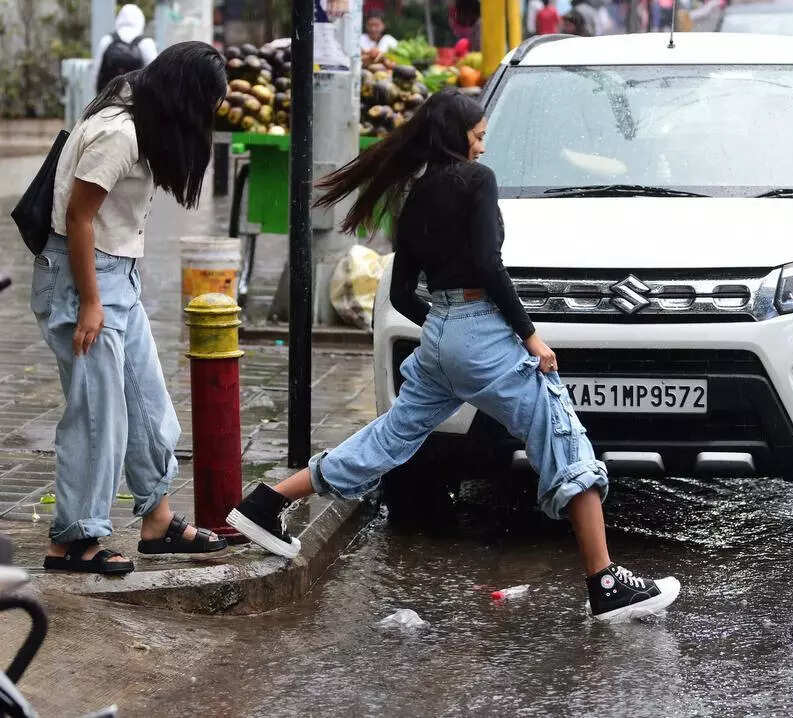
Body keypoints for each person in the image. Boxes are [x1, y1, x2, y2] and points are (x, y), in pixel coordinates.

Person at [226, 88, 681, 622]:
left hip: (439, 333)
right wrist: (529, 336)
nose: (484, 148)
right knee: (563, 438)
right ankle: (606, 582)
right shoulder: (476, 182)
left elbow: (400, 296)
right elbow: (489, 266)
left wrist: (446, 334)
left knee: (390, 437)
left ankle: (266, 502)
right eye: (480, 136)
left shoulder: (413, 194)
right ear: (458, 135)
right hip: (481, 333)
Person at [31, 42, 229, 575]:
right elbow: (78, 219)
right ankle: (72, 542)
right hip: (82, 280)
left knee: (147, 406)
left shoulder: (141, 116)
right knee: (99, 417)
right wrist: (92, 303)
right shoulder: (119, 133)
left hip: (119, 276)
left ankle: (158, 522)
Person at [94, 4, 158, 94]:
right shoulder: (146, 42)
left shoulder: (107, 40)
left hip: (108, 97)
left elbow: (96, 71)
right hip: (136, 99)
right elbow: (154, 75)